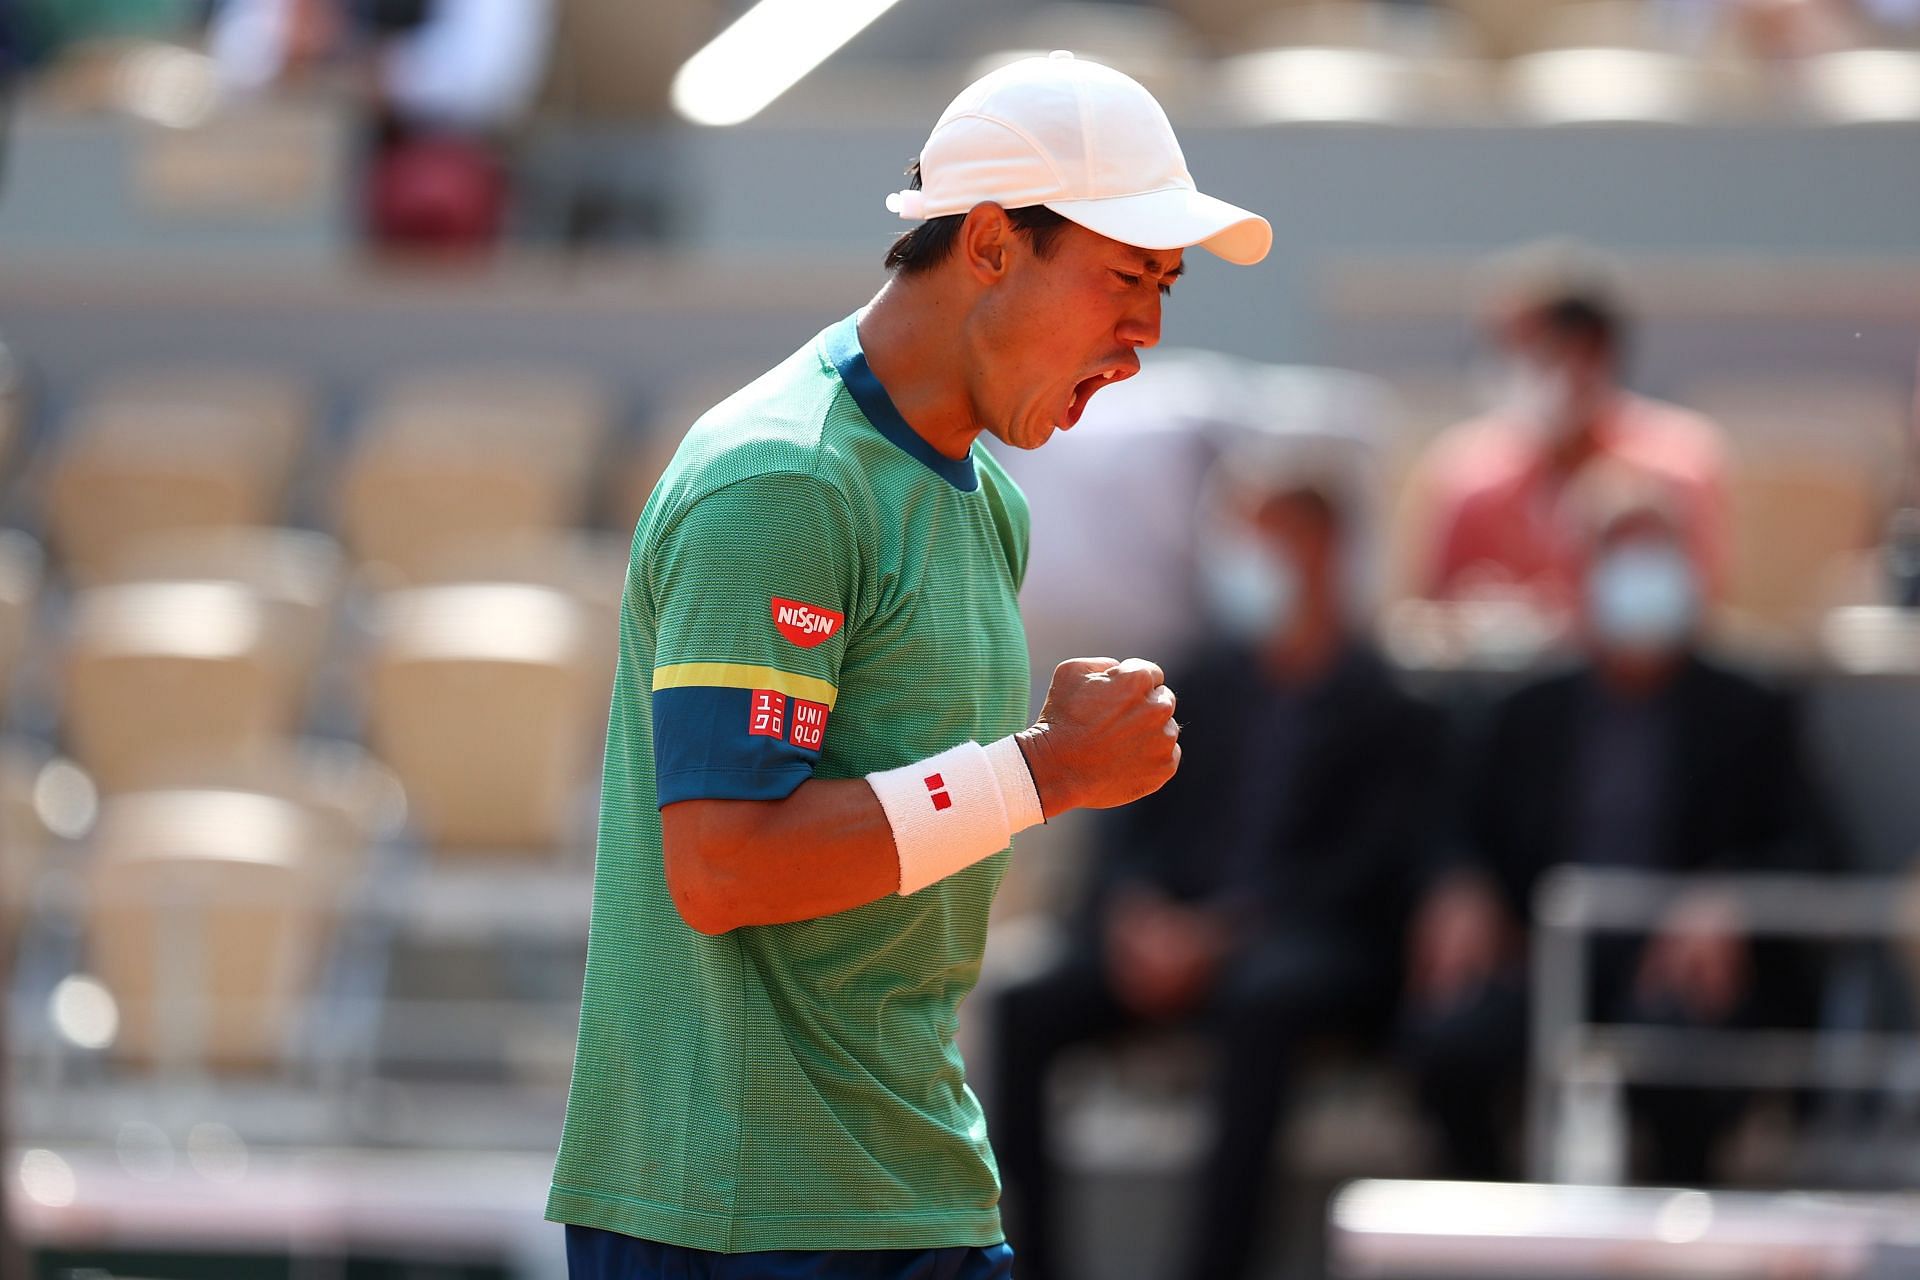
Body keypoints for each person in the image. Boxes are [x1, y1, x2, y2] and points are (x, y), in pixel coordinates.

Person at [547, 51, 1271, 1279]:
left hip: (907, 1191)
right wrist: (1042, 773)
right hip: (735, 1214)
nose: (1145, 333)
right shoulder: (782, 480)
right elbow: (723, 863)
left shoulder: (988, 495)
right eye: (1124, 278)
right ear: (989, 242)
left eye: (1164, 287)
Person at [991, 461, 1450, 1280]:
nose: (1243, 558)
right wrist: (1134, 915)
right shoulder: (1197, 679)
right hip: (1163, 938)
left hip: (1296, 950)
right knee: (1025, 1004)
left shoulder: (1391, 703)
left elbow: (1369, 870)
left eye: (1265, 536)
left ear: (1323, 548)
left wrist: (1225, 934)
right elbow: (1124, 822)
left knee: (1262, 1003)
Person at [1402, 477, 1845, 1184]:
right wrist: (1460, 888)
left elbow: (1814, 849)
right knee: (1452, 1047)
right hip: (1541, 959)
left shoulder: (1751, 709)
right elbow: (1452, 829)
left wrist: (1730, 900)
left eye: (1656, 558)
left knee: (1682, 1063)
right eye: (1617, 559)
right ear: (1580, 575)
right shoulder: (1527, 711)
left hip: (1681, 975)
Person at [1407, 243, 1731, 625]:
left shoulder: (1677, 464)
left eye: (1532, 348)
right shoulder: (1468, 473)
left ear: (1594, 350)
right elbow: (1432, 609)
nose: (1512, 367)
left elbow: (1697, 607)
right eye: (1502, 348)